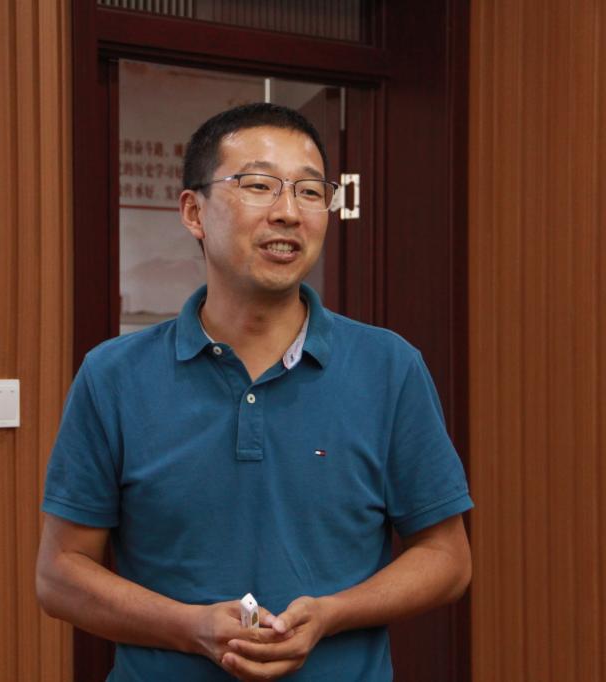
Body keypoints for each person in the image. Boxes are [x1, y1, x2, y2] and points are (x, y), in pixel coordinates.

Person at [36, 103, 473, 681]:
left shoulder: (390, 367)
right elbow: (60, 573)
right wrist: (189, 627)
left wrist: (332, 614)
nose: (288, 212)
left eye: (310, 192)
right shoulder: (112, 376)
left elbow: (447, 558)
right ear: (194, 211)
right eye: (259, 185)